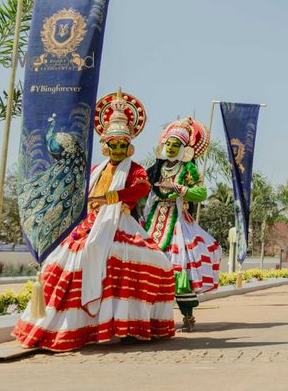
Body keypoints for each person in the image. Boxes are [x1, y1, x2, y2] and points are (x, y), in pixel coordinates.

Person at [13, 90, 176, 351]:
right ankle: (64, 325)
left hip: (120, 220)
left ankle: (130, 323)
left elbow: (142, 189)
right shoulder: (95, 169)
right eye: (114, 145)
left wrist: (113, 197)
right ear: (106, 145)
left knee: (157, 262)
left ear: (129, 145)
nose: (118, 149)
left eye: (123, 144)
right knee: (62, 261)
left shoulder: (134, 170)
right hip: (91, 223)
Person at [142, 117, 221, 332]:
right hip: (155, 218)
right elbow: (143, 187)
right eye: (168, 143)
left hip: (177, 221)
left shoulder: (188, 169)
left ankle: (187, 316)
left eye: (175, 145)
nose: (170, 148)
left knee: (180, 266)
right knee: (149, 263)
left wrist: (182, 189)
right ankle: (151, 317)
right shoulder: (155, 169)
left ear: (183, 148)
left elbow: (202, 193)